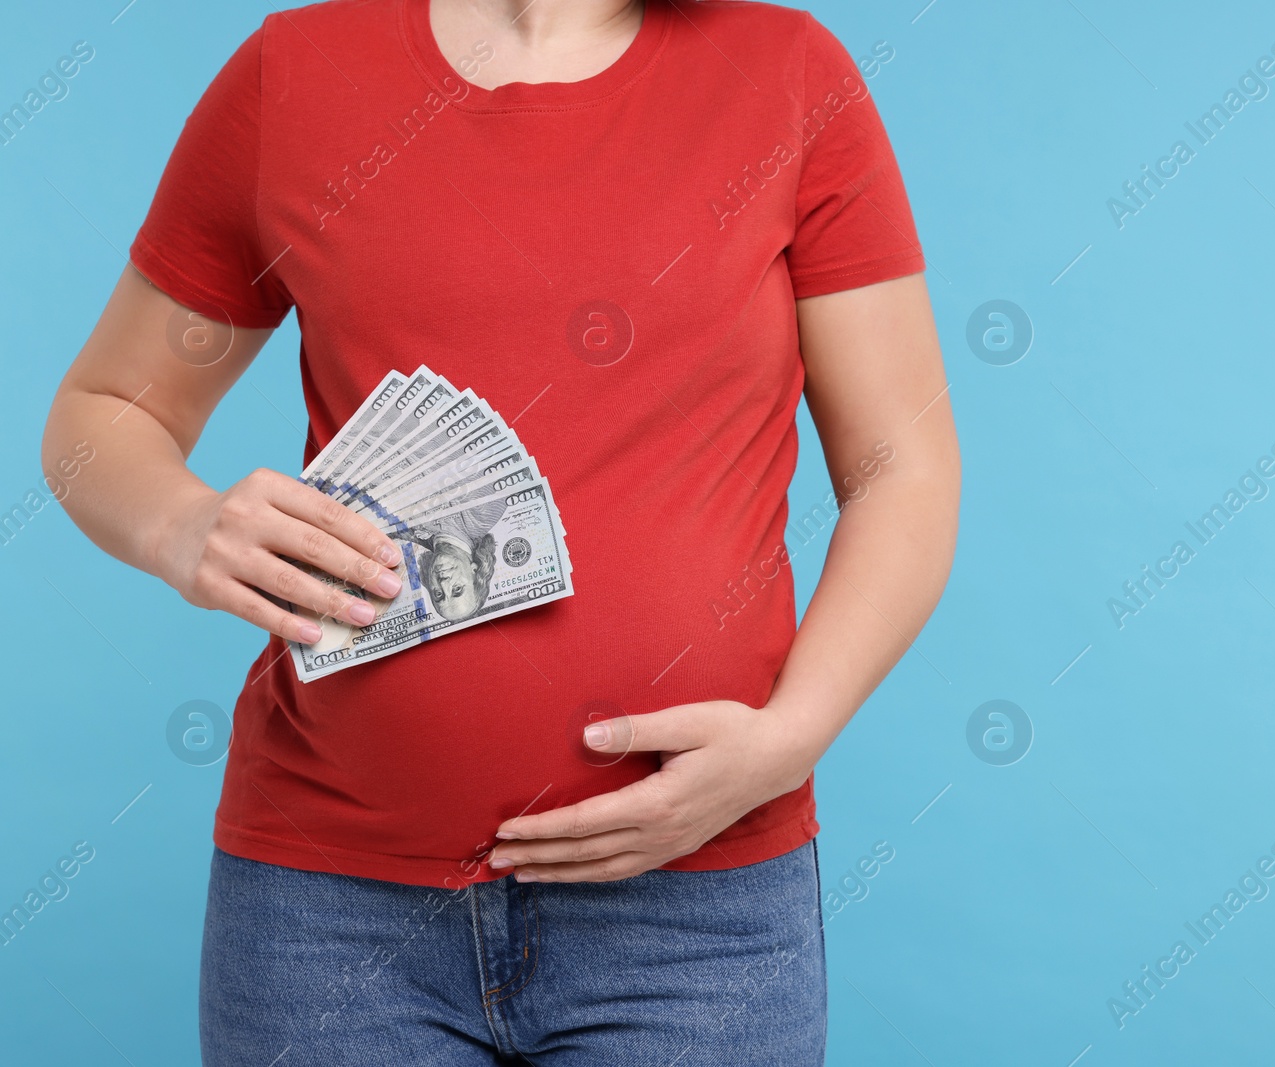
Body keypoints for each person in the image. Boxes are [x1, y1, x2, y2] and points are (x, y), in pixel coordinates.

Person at [40, 0, 959, 1063]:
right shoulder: (291, 76)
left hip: (696, 912)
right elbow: (106, 410)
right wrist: (180, 524)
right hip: (329, 908)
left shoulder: (791, 74)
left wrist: (790, 738)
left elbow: (905, 470)